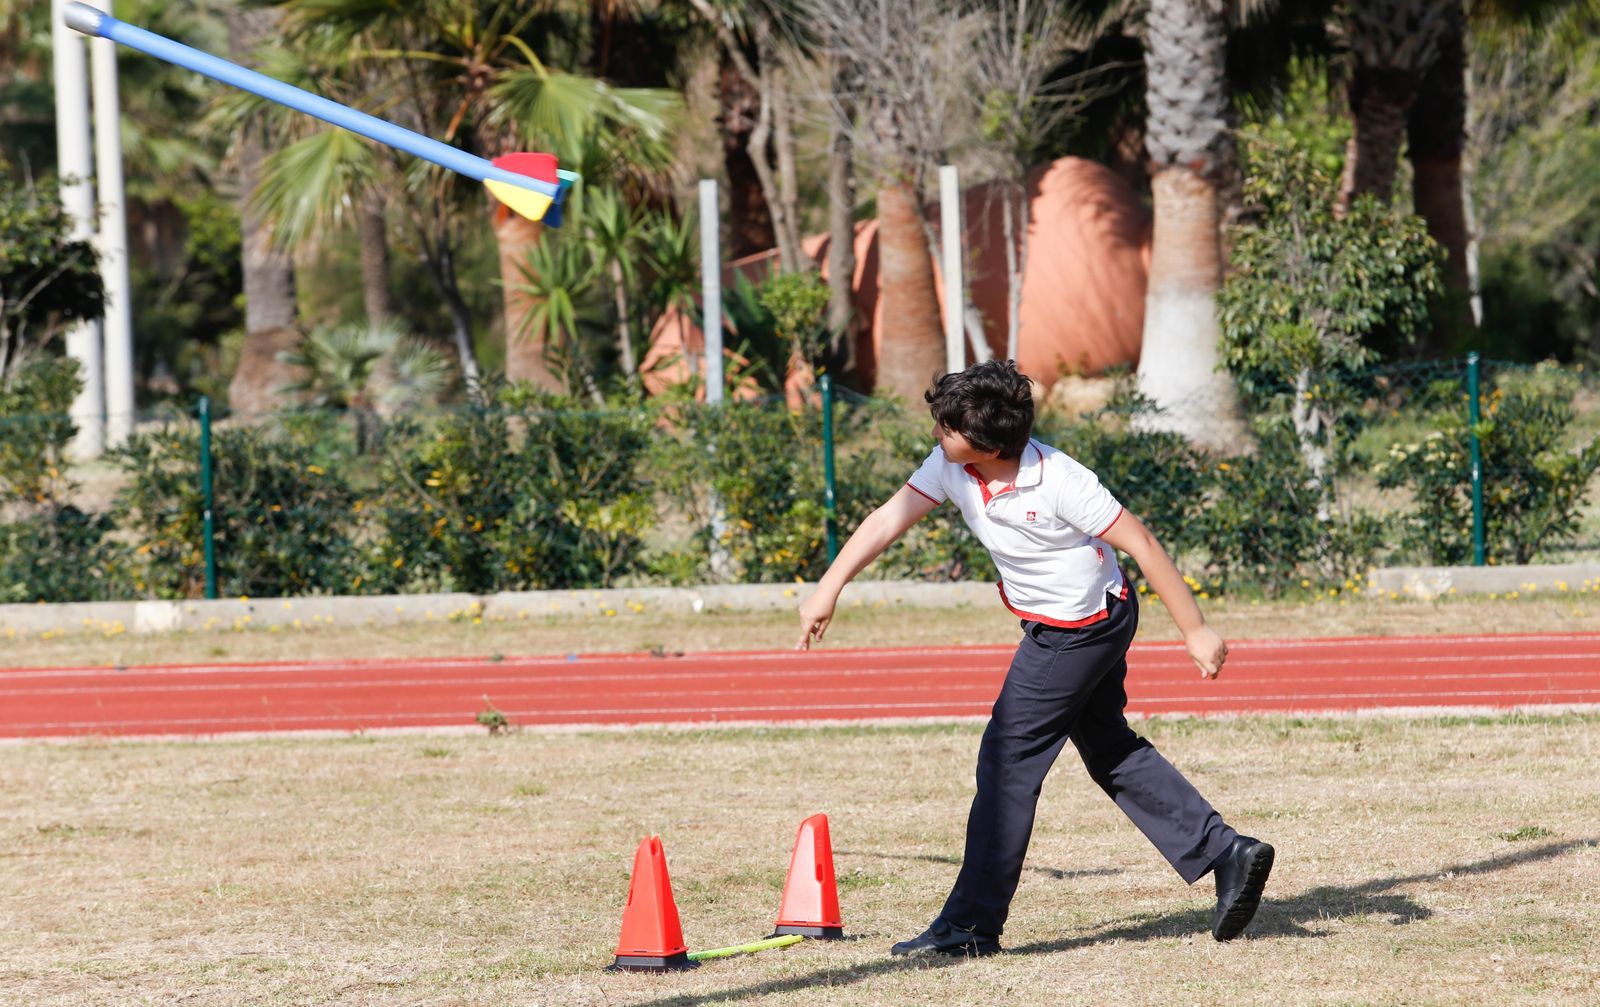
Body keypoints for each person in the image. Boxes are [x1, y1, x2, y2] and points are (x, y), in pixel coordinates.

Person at [795, 360, 1274, 956]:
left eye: (947, 427)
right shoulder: (951, 465)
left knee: (1007, 761)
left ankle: (970, 926)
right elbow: (887, 520)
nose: (936, 432)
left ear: (990, 445)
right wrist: (829, 587)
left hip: (1078, 629)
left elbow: (1142, 542)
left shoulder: (1060, 480)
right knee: (1108, 746)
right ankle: (1226, 852)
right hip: (1083, 617)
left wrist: (1195, 629)